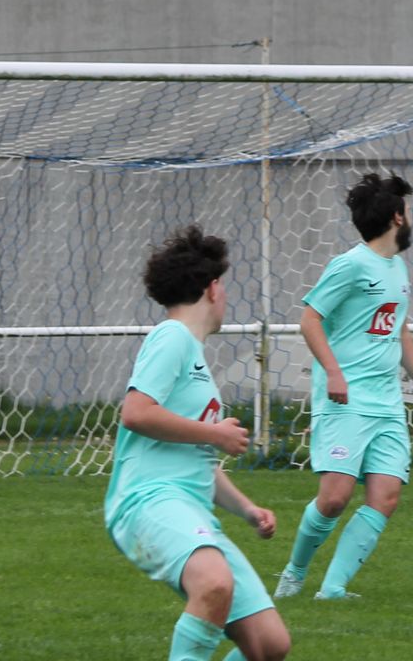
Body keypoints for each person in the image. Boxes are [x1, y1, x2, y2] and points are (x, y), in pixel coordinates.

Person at [104, 224, 289, 661]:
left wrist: (247, 509)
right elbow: (136, 413)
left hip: (190, 507)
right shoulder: (171, 337)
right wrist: (215, 432)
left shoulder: (192, 355)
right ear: (211, 288)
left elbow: (197, 460)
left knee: (270, 645)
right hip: (149, 500)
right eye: (223, 286)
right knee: (213, 583)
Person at [274, 173, 413, 601]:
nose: (411, 219)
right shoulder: (350, 265)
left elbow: (400, 329)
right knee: (334, 499)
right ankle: (294, 573)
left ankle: (333, 589)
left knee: (386, 496)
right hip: (346, 400)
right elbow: (310, 319)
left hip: (386, 402)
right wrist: (334, 372)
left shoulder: (397, 267)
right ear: (397, 217)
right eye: (408, 211)